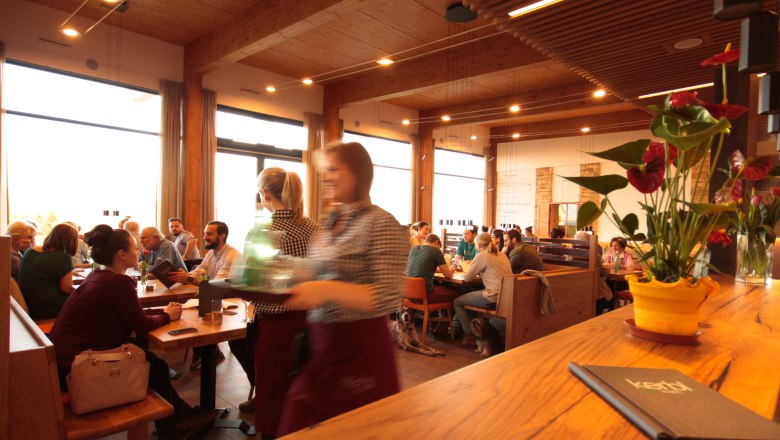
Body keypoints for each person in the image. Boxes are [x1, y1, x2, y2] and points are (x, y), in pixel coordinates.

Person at [277, 142, 407, 436]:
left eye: (333, 169)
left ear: (358, 173)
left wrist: (325, 290)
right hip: (322, 347)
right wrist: (275, 267)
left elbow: (386, 295)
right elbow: (316, 269)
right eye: (325, 170)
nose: (325, 177)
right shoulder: (331, 220)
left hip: (360, 349)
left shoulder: (381, 223)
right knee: (296, 420)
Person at [49, 225, 216, 439]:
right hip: (79, 367)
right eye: (134, 248)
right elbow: (142, 325)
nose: (138, 251)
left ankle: (176, 420)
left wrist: (163, 311)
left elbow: (131, 311)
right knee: (153, 364)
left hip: (64, 362)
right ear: (121, 254)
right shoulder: (118, 282)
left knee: (153, 362)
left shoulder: (98, 276)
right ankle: (174, 425)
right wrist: (167, 316)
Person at [228, 167, 318, 437]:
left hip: (277, 326)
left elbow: (250, 287)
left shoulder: (262, 233)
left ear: (265, 194)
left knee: (273, 392)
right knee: (306, 387)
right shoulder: (314, 228)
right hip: (314, 321)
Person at [168, 221, 242, 371]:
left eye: (209, 234)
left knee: (193, 315)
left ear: (222, 236)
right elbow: (198, 271)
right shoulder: (211, 254)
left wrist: (188, 279)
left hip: (231, 302)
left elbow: (218, 284)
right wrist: (186, 275)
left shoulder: (232, 256)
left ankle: (209, 353)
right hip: (213, 298)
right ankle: (204, 352)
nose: (204, 237)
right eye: (204, 234)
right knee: (185, 311)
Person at [453, 233, 513, 347]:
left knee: (458, 302)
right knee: (468, 297)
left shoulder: (482, 255)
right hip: (507, 295)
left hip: (493, 296)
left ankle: (470, 335)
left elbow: (467, 278)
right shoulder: (502, 254)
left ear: (479, 245)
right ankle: (475, 332)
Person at [18, 223, 78, 319]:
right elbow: (66, 288)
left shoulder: (30, 251)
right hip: (47, 307)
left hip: (28, 302)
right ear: (71, 241)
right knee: (85, 304)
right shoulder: (63, 256)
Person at [406, 233, 456, 303]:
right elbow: (448, 275)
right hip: (426, 295)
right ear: (436, 242)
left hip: (409, 295)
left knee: (439, 286)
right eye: (439, 247)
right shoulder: (435, 250)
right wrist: (452, 270)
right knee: (456, 294)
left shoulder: (414, 249)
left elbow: (424, 268)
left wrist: (440, 270)